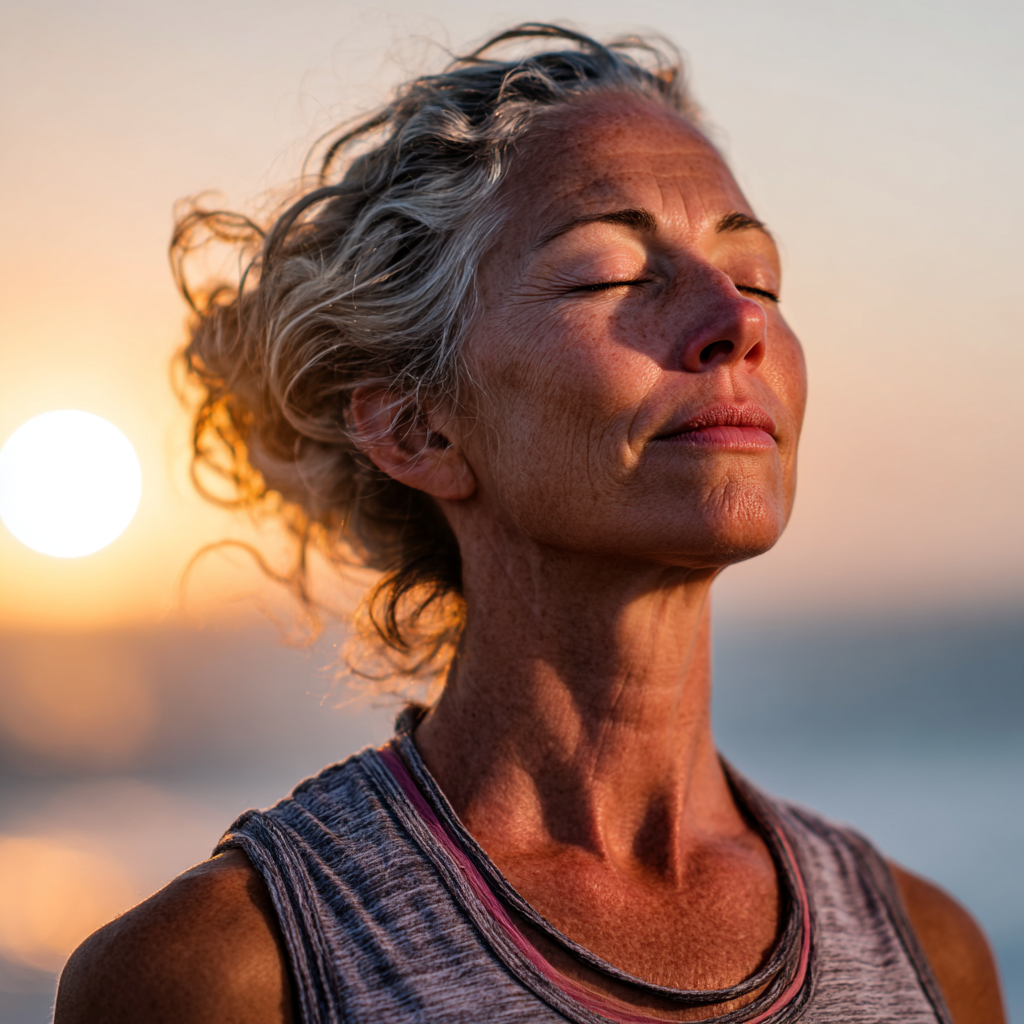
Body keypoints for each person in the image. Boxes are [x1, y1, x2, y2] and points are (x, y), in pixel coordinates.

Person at [54, 24, 1005, 1024]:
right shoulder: (229, 975)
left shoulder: (931, 955)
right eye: (611, 275)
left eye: (757, 276)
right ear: (416, 426)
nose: (739, 319)